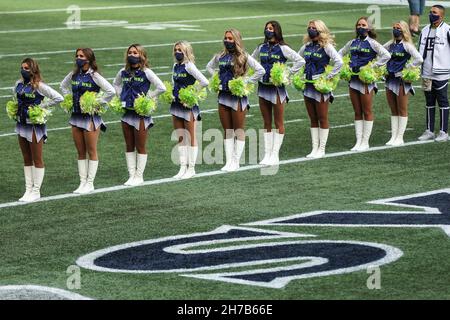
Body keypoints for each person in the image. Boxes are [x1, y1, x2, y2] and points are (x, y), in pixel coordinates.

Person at [206, 28, 265, 172]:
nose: (227, 41)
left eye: (230, 38)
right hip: (223, 96)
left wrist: (246, 81)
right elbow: (208, 66)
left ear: (236, 40)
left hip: (238, 97)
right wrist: (216, 77)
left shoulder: (244, 55)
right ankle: (229, 161)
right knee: (227, 130)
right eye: (226, 38)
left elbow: (261, 70)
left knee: (238, 129)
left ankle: (236, 161)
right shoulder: (220, 56)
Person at [60, 48, 115, 194]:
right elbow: (63, 86)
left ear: (89, 60)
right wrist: (69, 99)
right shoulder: (74, 74)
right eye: (77, 56)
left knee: (91, 151)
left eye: (81, 56)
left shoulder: (95, 76)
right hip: (76, 116)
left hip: (90, 117)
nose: (78, 58)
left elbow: (111, 91)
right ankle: (82, 182)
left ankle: (90, 183)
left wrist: (97, 103)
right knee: (80, 152)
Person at [251, 20, 305, 165]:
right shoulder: (261, 47)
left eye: (271, 28)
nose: (268, 30)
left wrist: (287, 73)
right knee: (266, 122)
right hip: (263, 87)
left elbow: (300, 61)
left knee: (278, 122)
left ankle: (275, 155)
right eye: (266, 28)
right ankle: (267, 154)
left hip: (276, 89)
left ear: (277, 31)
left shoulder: (283, 48)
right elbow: (250, 61)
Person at [113, 44, 166, 186]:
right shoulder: (123, 72)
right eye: (130, 52)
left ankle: (139, 175)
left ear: (141, 55)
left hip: (141, 114)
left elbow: (161, 87)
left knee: (140, 145)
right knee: (129, 145)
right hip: (127, 113)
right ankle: (131, 175)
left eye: (135, 53)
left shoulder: (146, 72)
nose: (132, 55)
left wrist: (149, 97)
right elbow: (115, 84)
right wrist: (120, 96)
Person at [14, 58, 63, 202]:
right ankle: (28, 189)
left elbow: (58, 97)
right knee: (26, 158)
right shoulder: (18, 84)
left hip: (35, 126)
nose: (23, 70)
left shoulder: (39, 86)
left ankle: (36, 191)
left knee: (37, 158)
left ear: (33, 70)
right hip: (21, 124)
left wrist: (41, 107)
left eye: (27, 68)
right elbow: (16, 99)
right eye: (22, 67)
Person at [338, 17, 391, 151]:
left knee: (366, 110)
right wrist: (344, 65)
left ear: (368, 28)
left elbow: (386, 55)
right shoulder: (352, 43)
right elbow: (338, 54)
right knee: (357, 111)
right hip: (353, 80)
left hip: (366, 81)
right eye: (358, 25)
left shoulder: (373, 43)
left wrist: (373, 66)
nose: (360, 27)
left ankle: (365, 141)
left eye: (363, 25)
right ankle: (358, 141)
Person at [298, 20, 343, 158]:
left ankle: (321, 149)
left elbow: (339, 62)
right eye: (309, 28)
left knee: (322, 117)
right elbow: (297, 59)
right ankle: (314, 148)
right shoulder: (306, 46)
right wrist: (298, 73)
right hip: (308, 85)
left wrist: (329, 76)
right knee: (312, 118)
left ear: (320, 30)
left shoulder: (326, 46)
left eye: (314, 28)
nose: (311, 30)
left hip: (320, 87)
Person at [169, 41, 209, 180]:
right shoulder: (175, 66)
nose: (177, 52)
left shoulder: (189, 66)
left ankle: (191, 168)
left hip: (189, 106)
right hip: (176, 104)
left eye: (180, 50)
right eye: (175, 49)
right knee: (180, 136)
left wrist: (191, 95)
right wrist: (171, 94)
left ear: (186, 51)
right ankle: (182, 167)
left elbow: (204, 82)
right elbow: (174, 82)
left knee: (191, 136)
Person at [384, 21, 423, 146]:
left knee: (402, 109)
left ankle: (400, 137)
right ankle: (393, 136)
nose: (395, 30)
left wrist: (407, 69)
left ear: (404, 30)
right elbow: (379, 52)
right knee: (393, 109)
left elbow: (419, 59)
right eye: (394, 28)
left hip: (401, 80)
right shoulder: (390, 44)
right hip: (389, 79)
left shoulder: (407, 45)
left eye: (398, 28)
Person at [417, 5, 450, 142]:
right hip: (426, 72)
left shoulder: (447, 30)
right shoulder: (424, 30)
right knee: (429, 102)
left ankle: (444, 132)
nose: (431, 14)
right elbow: (419, 50)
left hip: (441, 73)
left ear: (441, 16)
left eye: (434, 12)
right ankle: (429, 130)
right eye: (430, 12)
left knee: (442, 101)